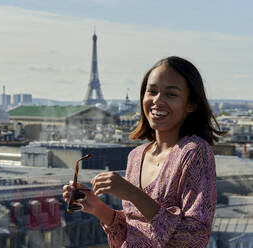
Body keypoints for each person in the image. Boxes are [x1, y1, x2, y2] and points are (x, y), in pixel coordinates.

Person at [63, 56, 225, 247]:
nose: (157, 100)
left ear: (191, 105)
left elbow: (194, 239)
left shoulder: (194, 152)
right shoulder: (136, 156)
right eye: (152, 91)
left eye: (171, 94)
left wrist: (134, 195)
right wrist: (98, 208)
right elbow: (135, 236)